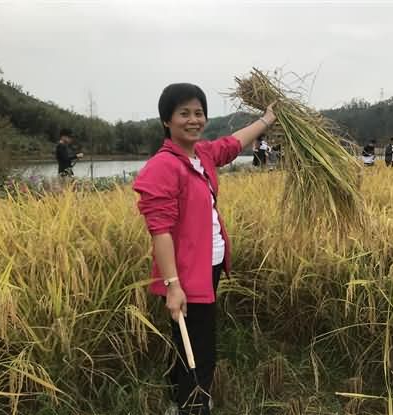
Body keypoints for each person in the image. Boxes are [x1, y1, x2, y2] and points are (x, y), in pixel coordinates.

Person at [132, 83, 276, 415]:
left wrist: (267, 119)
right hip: (185, 273)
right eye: (183, 113)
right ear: (166, 120)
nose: (193, 120)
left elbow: (234, 143)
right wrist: (173, 285)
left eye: (199, 113)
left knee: (188, 338)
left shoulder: (202, 155)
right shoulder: (163, 166)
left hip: (208, 266)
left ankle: (177, 400)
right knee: (200, 347)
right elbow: (160, 231)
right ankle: (194, 405)